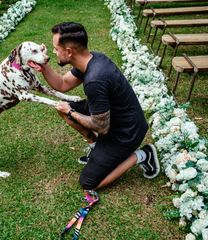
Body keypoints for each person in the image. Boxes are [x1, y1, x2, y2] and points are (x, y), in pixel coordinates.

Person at [39, 22, 160, 191]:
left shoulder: (95, 79)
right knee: (64, 109)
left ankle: (143, 155)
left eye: (56, 48)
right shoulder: (92, 59)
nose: (53, 52)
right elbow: (62, 83)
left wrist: (71, 111)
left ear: (69, 52)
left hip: (126, 132)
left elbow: (101, 127)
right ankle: (95, 148)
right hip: (113, 117)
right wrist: (42, 63)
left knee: (89, 183)